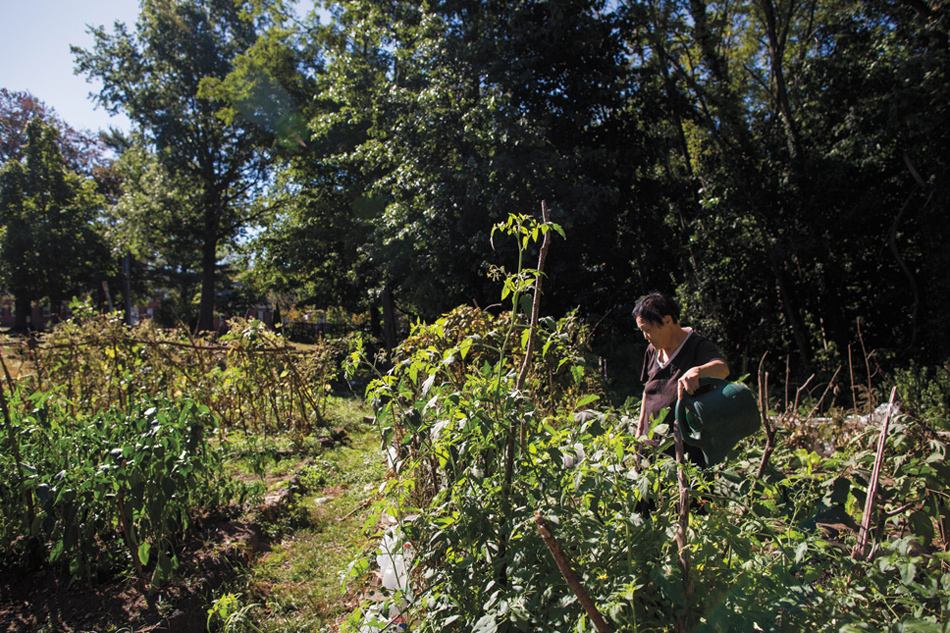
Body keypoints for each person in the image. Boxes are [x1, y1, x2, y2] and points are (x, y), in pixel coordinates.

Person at [633, 292, 729, 465]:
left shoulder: (697, 346)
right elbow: (648, 390)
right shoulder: (652, 350)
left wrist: (699, 371)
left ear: (667, 321)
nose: (645, 337)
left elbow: (722, 368)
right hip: (650, 450)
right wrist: (640, 430)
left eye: (647, 330)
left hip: (685, 454)